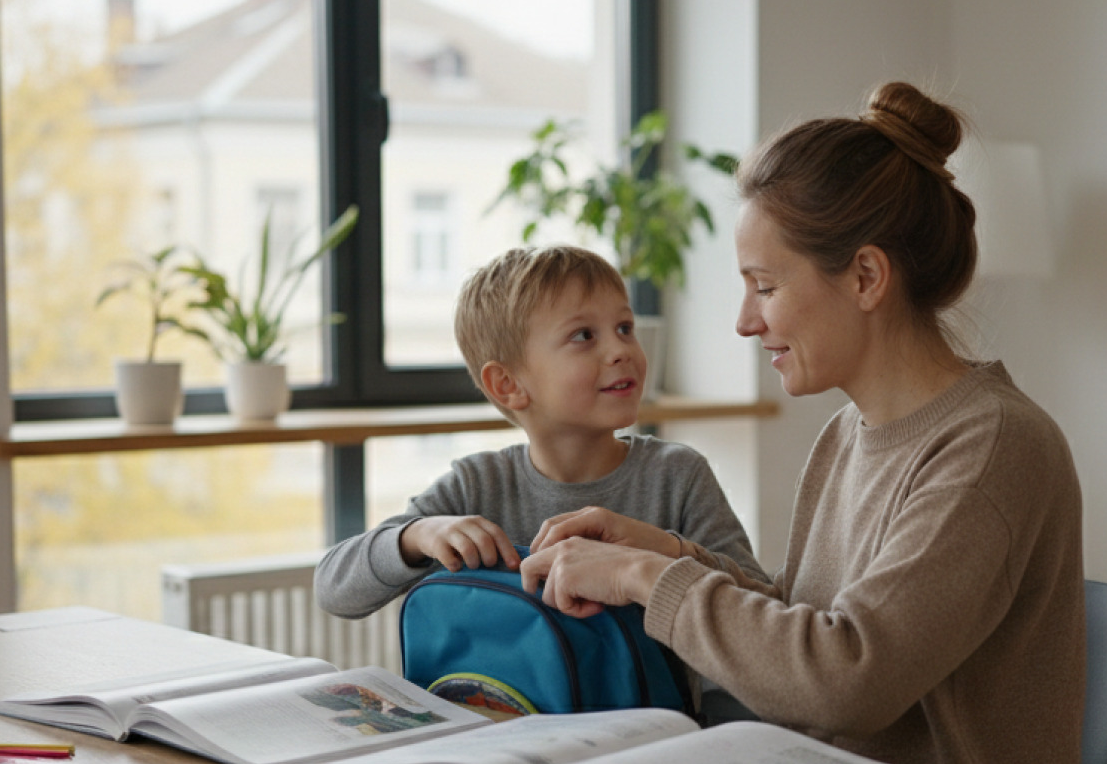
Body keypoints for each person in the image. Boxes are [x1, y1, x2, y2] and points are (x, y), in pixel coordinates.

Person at [519, 83, 1087, 764]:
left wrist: (641, 574)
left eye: (765, 286)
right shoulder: (849, 431)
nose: (745, 322)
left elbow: (847, 675)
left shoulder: (992, 448)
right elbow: (805, 617)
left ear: (865, 277)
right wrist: (666, 550)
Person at [313, 245, 768, 630]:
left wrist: (666, 551)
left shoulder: (677, 476)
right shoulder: (476, 486)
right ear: (508, 385)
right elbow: (333, 589)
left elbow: (758, 601)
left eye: (624, 328)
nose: (621, 351)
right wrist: (417, 535)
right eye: (584, 335)